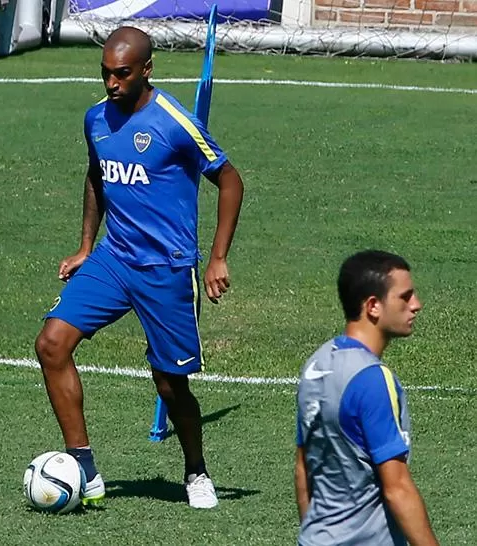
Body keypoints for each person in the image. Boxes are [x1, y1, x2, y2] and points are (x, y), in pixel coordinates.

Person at [33, 25, 245, 509]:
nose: (112, 83)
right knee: (51, 343)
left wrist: (216, 258)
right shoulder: (96, 120)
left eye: (122, 74)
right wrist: (87, 245)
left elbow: (230, 180)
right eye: (106, 73)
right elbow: (96, 175)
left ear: (146, 70)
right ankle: (83, 469)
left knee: (171, 384)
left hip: (166, 270)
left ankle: (196, 471)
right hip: (114, 258)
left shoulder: (174, 122)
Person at [295, 250, 438, 545]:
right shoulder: (372, 379)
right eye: (405, 296)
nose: (416, 305)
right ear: (373, 306)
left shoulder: (316, 364)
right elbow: (397, 487)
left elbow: (303, 467)